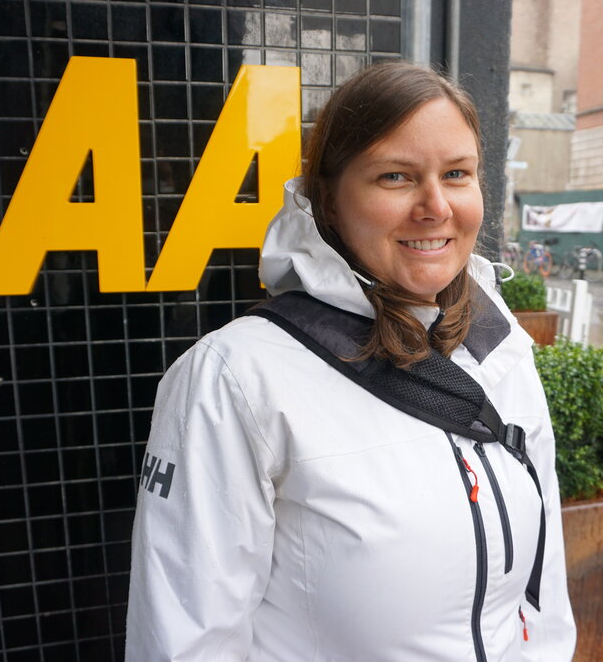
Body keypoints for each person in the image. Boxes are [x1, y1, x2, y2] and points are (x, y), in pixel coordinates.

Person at [126, 62, 576, 661]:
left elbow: (542, 608)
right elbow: (186, 642)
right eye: (396, 176)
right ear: (329, 201)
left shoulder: (502, 347)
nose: (436, 206)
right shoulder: (234, 378)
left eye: (457, 174)